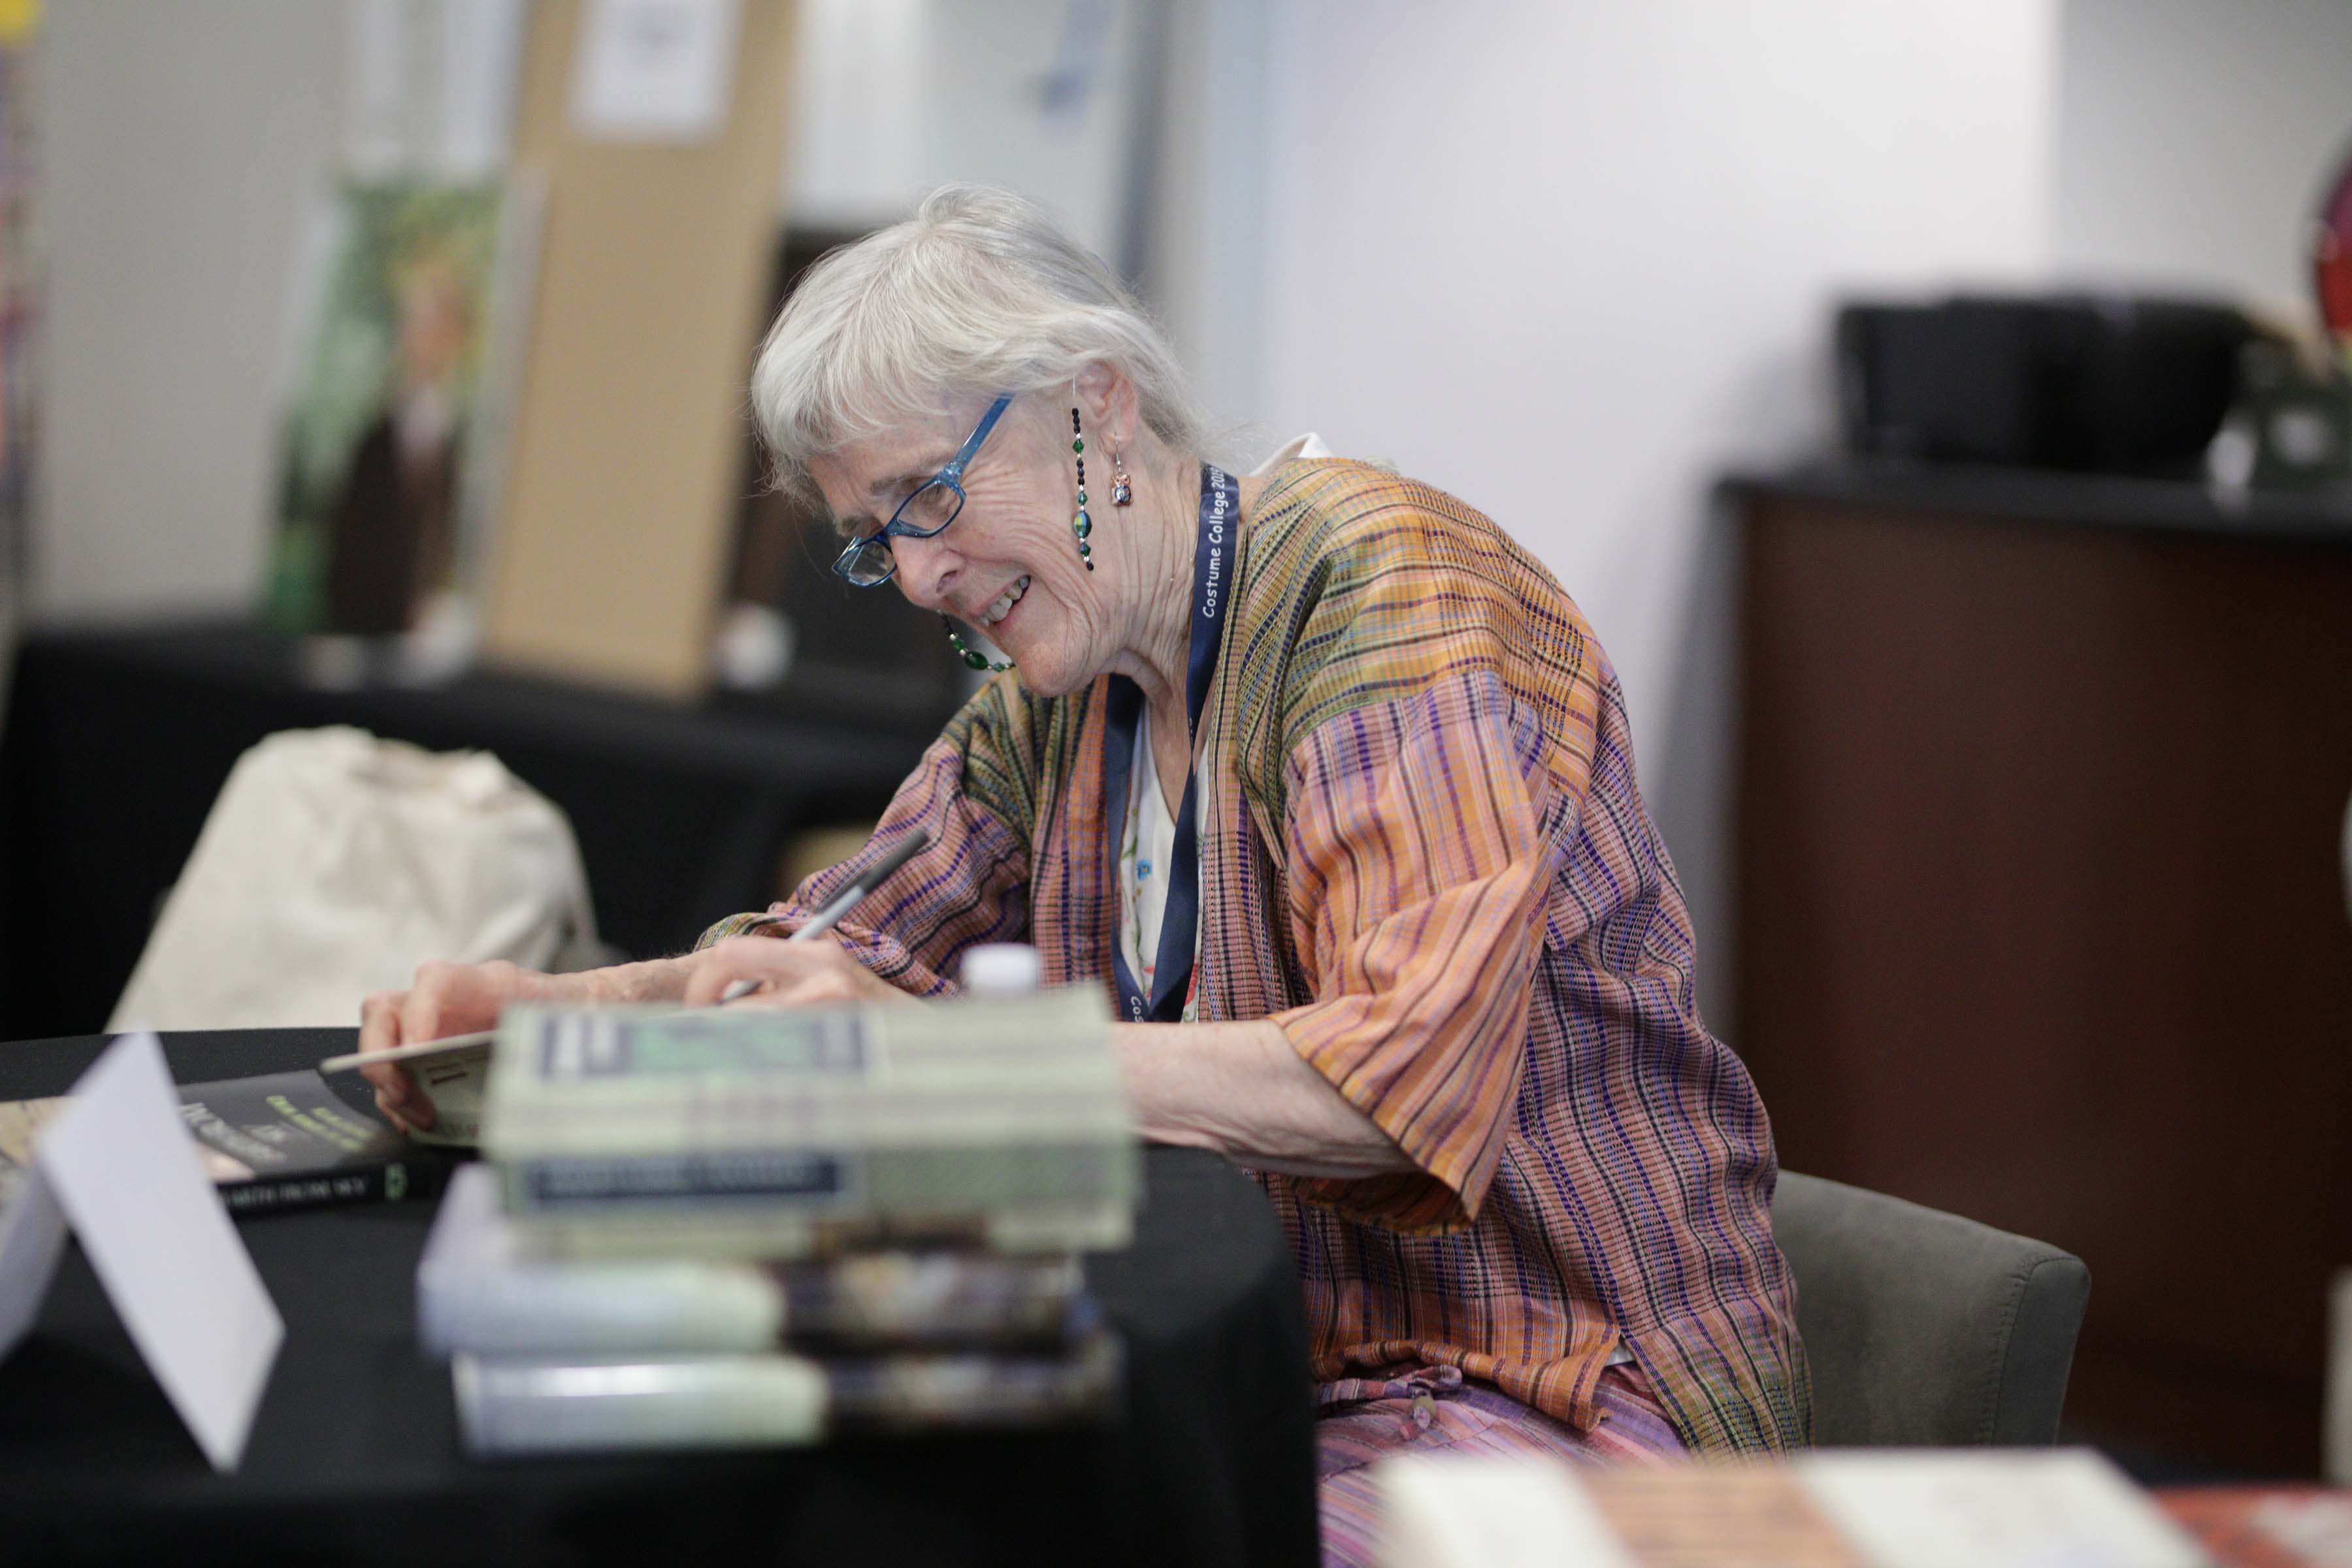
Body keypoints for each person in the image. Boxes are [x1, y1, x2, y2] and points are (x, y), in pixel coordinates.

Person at [361, 184, 1810, 1562]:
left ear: (1096, 405)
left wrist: (937, 1066)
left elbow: (1394, 1088)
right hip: (1259, 1380)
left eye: (928, 497)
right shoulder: (1053, 689)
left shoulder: (1387, 595)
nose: (921, 578)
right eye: (876, 541)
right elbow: (836, 953)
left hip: (1560, 1390)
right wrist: (554, 1017)